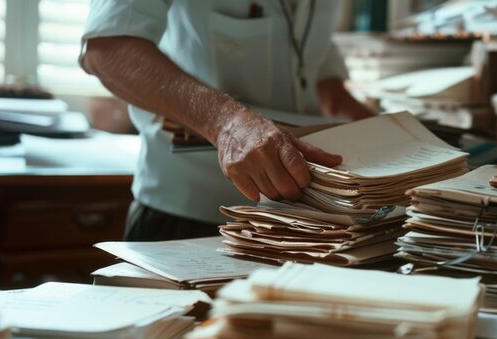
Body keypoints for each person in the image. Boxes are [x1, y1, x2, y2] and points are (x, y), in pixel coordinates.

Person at [80, 0, 375, 241]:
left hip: (306, 222)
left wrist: (379, 131)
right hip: (188, 217)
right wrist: (227, 124)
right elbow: (109, 50)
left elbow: (314, 70)